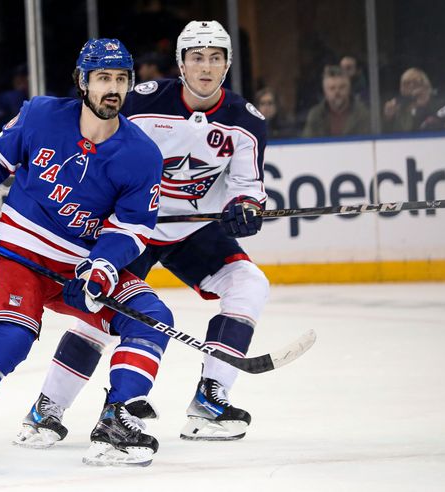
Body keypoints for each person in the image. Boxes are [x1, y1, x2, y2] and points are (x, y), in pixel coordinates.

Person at [0, 38, 173, 475]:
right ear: (83, 82)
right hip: (18, 254)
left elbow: (133, 228)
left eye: (121, 79)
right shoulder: (41, 114)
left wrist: (103, 265)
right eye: (103, 78)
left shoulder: (142, 153)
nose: (113, 88)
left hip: (79, 267)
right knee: (10, 339)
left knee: (150, 316)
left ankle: (116, 420)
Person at [14, 20, 269, 449]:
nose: (205, 67)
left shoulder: (246, 122)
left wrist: (245, 207)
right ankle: (47, 410)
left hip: (191, 230)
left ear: (227, 64)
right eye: (196, 57)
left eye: (215, 58)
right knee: (99, 311)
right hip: (131, 225)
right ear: (180, 63)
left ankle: (211, 399)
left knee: (249, 284)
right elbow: (94, 141)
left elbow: (246, 187)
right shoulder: (141, 103)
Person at [302, 65, 370, 137]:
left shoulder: (362, 113)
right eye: (332, 88)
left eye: (342, 87)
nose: (337, 92)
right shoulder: (316, 115)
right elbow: (307, 143)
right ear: (325, 91)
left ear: (349, 89)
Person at [383, 68, 445, 133]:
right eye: (406, 83)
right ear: (401, 88)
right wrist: (388, 118)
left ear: (425, 84)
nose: (411, 86)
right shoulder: (397, 108)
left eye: (416, 82)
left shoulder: (439, 103)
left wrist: (425, 104)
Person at [0, 64, 29, 139]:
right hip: (8, 142)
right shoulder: (7, 98)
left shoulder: (43, 97)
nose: (19, 80)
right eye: (18, 77)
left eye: (24, 77)